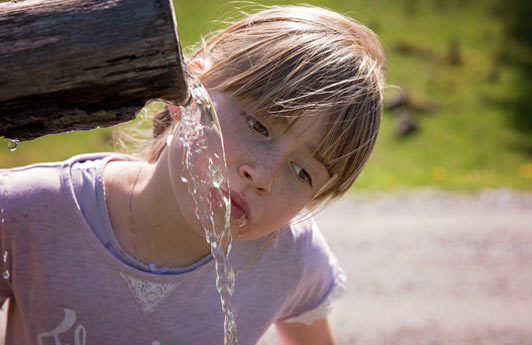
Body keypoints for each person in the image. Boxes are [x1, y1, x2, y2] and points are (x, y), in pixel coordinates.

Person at [0, 4, 385, 345]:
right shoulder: (26, 212)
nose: (262, 176)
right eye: (258, 126)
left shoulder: (289, 257)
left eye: (302, 172)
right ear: (190, 89)